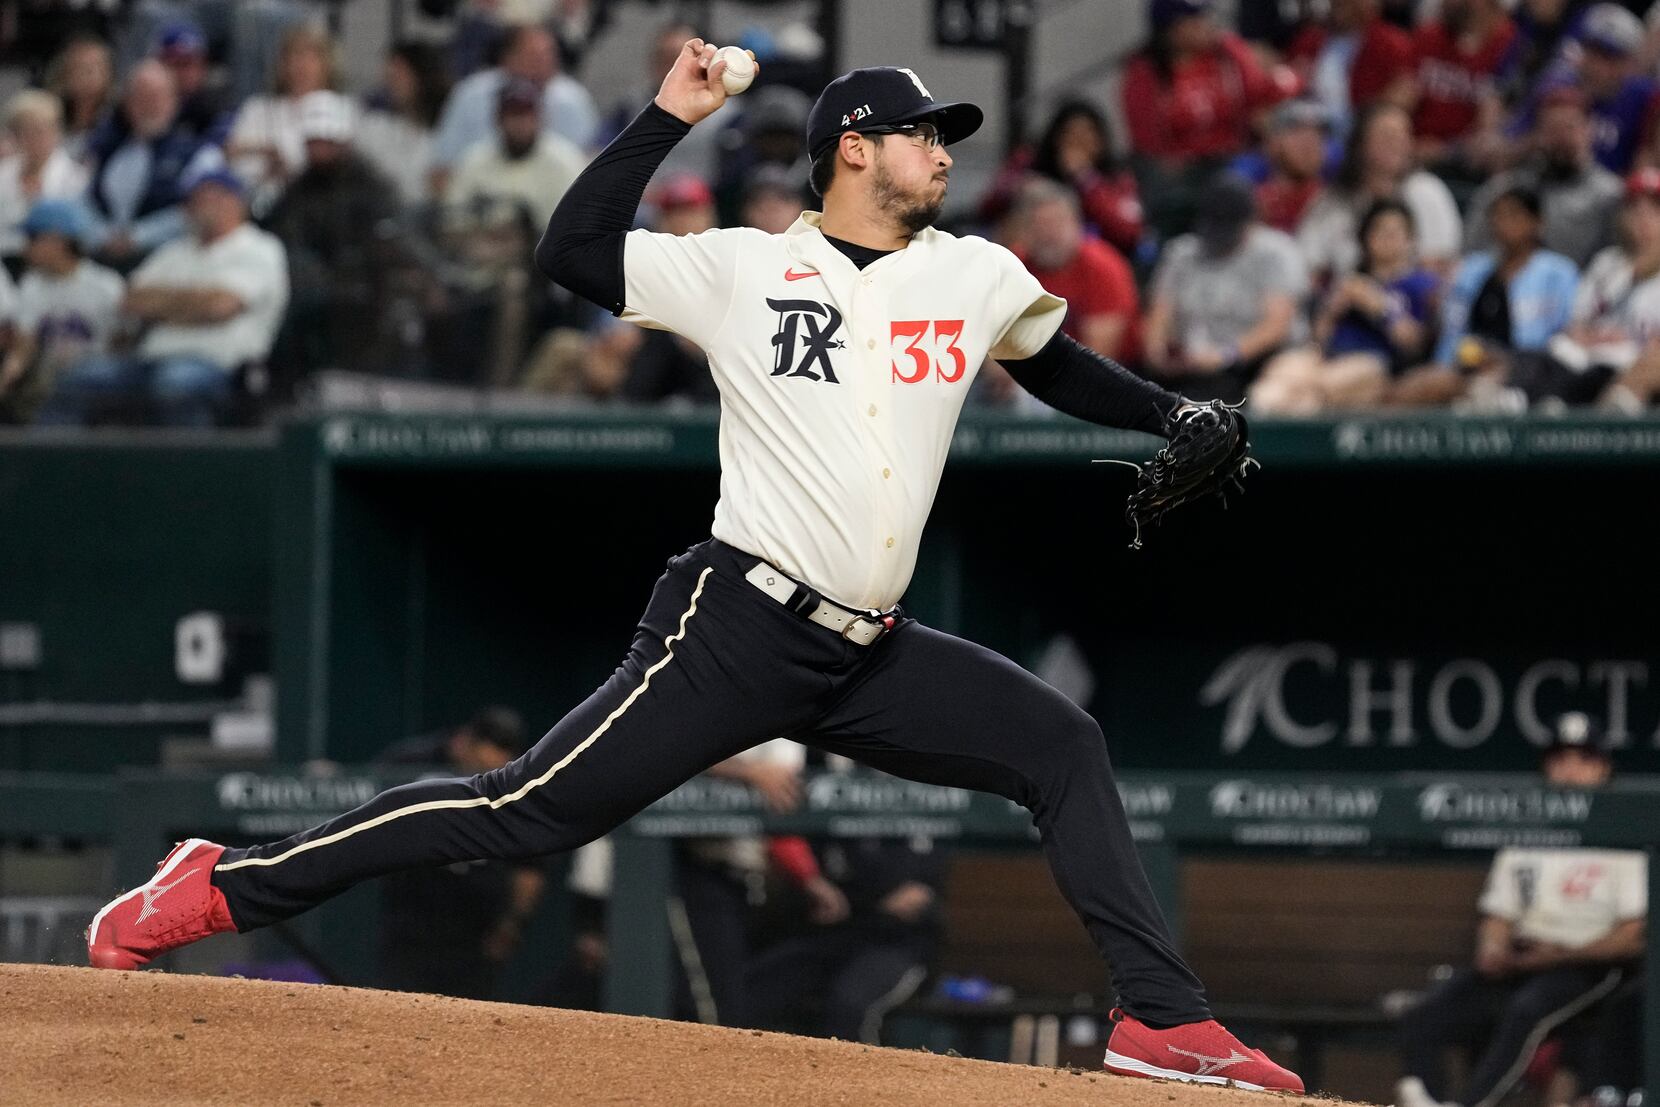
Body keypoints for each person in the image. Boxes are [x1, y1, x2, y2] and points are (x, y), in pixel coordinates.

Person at [85, 44, 1304, 1092]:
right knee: (523, 812)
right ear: (853, 150)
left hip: (867, 647)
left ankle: (1159, 1018)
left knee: (1061, 747)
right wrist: (669, 116)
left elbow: (1051, 364)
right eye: (922, 134)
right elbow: (572, 251)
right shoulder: (744, 267)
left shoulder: (972, 273)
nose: (943, 152)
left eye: (944, 136)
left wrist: (1167, 413)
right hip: (735, 626)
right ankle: (220, 884)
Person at [1396, 713, 1645, 1107]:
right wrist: (1493, 948)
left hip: (1586, 965)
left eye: (1583, 760)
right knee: (1425, 1015)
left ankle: (1471, 1105)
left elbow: (1634, 934)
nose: (1570, 770)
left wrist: (1561, 955)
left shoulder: (1624, 831)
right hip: (1522, 961)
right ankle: (1429, 1100)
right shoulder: (1528, 826)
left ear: (1603, 768)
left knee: (1526, 1011)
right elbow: (1499, 914)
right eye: (1560, 759)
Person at [39, 168, 288, 426]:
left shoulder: (259, 248)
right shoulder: (175, 250)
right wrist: (196, 304)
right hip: (150, 360)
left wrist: (164, 306)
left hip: (219, 366)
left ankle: (188, 466)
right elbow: (130, 300)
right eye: (194, 200)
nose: (197, 207)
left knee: (173, 386)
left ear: (233, 201)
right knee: (79, 378)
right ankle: (49, 464)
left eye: (207, 198)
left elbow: (219, 307)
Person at [375, 708, 549, 1001]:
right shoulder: (413, 762)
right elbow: (366, 801)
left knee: (468, 1014)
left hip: (474, 927)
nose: (487, 770)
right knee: (399, 1004)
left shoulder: (518, 781)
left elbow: (530, 869)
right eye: (481, 761)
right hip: (412, 917)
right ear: (463, 743)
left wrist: (511, 925)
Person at [263, 91, 420, 383]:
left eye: (327, 142)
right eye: (314, 142)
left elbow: (388, 238)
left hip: (363, 287)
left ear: (344, 142)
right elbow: (280, 234)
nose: (320, 149)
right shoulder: (299, 188)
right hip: (310, 289)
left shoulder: (372, 185)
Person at [1390, 186, 1579, 407]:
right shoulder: (1471, 270)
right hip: (1466, 363)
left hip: (1528, 369)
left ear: (1536, 222)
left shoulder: (1559, 273)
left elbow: (1566, 335)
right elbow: (1453, 330)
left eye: (1513, 215)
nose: (1504, 223)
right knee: (1409, 388)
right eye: (1498, 215)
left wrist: (1508, 360)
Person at [1121, 0, 1292, 238]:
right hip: (1182, 172)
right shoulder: (1144, 72)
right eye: (1194, 20)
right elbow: (1149, 143)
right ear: (1172, 30)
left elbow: (1261, 95)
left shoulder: (1227, 53)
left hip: (1235, 157)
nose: (1205, 25)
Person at [1252, 199, 1438, 413]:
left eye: (1395, 232)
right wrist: (1333, 310)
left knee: (1321, 387)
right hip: (1329, 356)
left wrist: (1378, 305)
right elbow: (1319, 338)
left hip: (1377, 364)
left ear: (1410, 239)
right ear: (1366, 238)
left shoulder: (1422, 284)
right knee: (1277, 377)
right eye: (1380, 231)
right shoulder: (1351, 281)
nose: (1388, 238)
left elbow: (1413, 344)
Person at [1142, 173, 1309, 403]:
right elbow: (1160, 313)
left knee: (1272, 395)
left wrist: (1227, 355)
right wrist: (1157, 352)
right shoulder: (1182, 253)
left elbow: (1277, 324)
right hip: (1194, 363)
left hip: (1262, 361)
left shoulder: (1275, 252)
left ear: (1250, 221)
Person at [1298, 101, 1464, 285]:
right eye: (1387, 136)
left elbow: (1441, 266)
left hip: (1412, 303)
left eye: (1403, 136)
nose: (1397, 144)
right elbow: (1308, 266)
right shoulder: (1333, 201)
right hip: (1346, 300)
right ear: (1361, 143)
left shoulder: (1426, 191)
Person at [428, 22, 598, 197]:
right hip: (483, 199)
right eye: (535, 57)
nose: (545, 64)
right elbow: (440, 171)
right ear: (507, 58)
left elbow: (592, 168)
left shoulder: (573, 100)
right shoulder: (471, 95)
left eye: (550, 56)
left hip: (553, 200)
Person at [81, 60, 220, 269]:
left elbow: (198, 210)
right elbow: (86, 202)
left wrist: (137, 237)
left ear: (174, 101)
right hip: (104, 257)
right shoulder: (107, 150)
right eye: (141, 96)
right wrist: (103, 236)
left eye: (157, 96)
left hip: (170, 261)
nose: (149, 105)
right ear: (127, 102)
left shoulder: (199, 153)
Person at [1466, 88, 1622, 267]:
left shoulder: (1610, 194)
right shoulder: (1508, 187)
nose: (1561, 137)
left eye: (1569, 127)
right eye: (1552, 128)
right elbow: (1472, 251)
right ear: (1538, 133)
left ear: (1589, 130)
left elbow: (1614, 264)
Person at [0, 201, 124, 424]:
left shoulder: (106, 285)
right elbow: (24, 346)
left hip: (100, 380)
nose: (25, 248)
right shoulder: (32, 285)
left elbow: (123, 344)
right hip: (49, 381)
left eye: (33, 239)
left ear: (57, 241)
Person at [978, 99, 1144, 258]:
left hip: (1089, 261)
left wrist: (1085, 180)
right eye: (1070, 135)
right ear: (1056, 138)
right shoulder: (1029, 163)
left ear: (1100, 141)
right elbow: (987, 208)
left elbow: (1129, 232)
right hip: (1028, 257)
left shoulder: (1117, 175)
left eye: (1086, 136)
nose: (1077, 143)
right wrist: (1019, 188)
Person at [1009, 179, 1140, 364]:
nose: (1048, 234)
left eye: (1056, 223)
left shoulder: (1103, 267)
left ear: (1077, 224)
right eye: (1038, 225)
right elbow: (995, 336)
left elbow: (1097, 356)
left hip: (1102, 375)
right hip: (1028, 372)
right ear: (1023, 230)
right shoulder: (1012, 266)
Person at [226, 23, 342, 212]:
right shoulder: (257, 107)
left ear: (326, 64)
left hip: (313, 206)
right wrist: (266, 153)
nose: (302, 65)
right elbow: (232, 153)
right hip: (251, 200)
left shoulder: (339, 108)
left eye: (311, 57)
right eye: (295, 55)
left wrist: (286, 168)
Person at [1411, 0, 1519, 176]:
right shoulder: (1429, 35)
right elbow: (1404, 94)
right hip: (1417, 152)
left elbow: (1494, 125)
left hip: (1469, 163)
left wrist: (1447, 150)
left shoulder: (1509, 44)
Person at [1286, 0, 1418, 136]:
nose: (1342, 5)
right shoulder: (1310, 39)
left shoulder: (1392, 44)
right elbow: (1286, 81)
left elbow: (1405, 91)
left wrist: (1366, 119)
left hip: (1359, 132)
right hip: (1309, 128)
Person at [356, 41, 452, 208]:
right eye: (390, 75)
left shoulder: (447, 129)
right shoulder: (375, 126)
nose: (392, 82)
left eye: (400, 75)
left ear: (422, 75)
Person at [0, 91, 89, 264]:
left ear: (56, 132)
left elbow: (72, 232)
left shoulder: (75, 177)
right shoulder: (4, 172)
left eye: (40, 131)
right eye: (25, 132)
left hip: (52, 263)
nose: (33, 139)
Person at [1254, 99, 1332, 234]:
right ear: (1271, 144)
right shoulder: (1255, 205)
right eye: (1297, 132)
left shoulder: (1336, 204)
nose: (1309, 143)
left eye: (1318, 134)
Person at [47, 35, 117, 159]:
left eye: (92, 69)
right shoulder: (50, 114)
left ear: (107, 74)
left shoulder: (115, 121)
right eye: (79, 68)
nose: (86, 76)